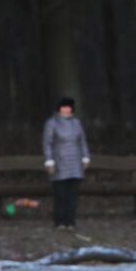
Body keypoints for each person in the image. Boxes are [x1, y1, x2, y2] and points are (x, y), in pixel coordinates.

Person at [42, 97, 90, 229]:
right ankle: (59, 222)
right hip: (59, 163)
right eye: (64, 107)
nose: (66, 109)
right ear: (59, 108)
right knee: (60, 195)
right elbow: (47, 143)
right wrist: (49, 161)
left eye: (69, 107)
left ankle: (71, 221)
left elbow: (82, 141)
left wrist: (85, 157)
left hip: (75, 163)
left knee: (72, 195)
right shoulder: (51, 123)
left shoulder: (77, 123)